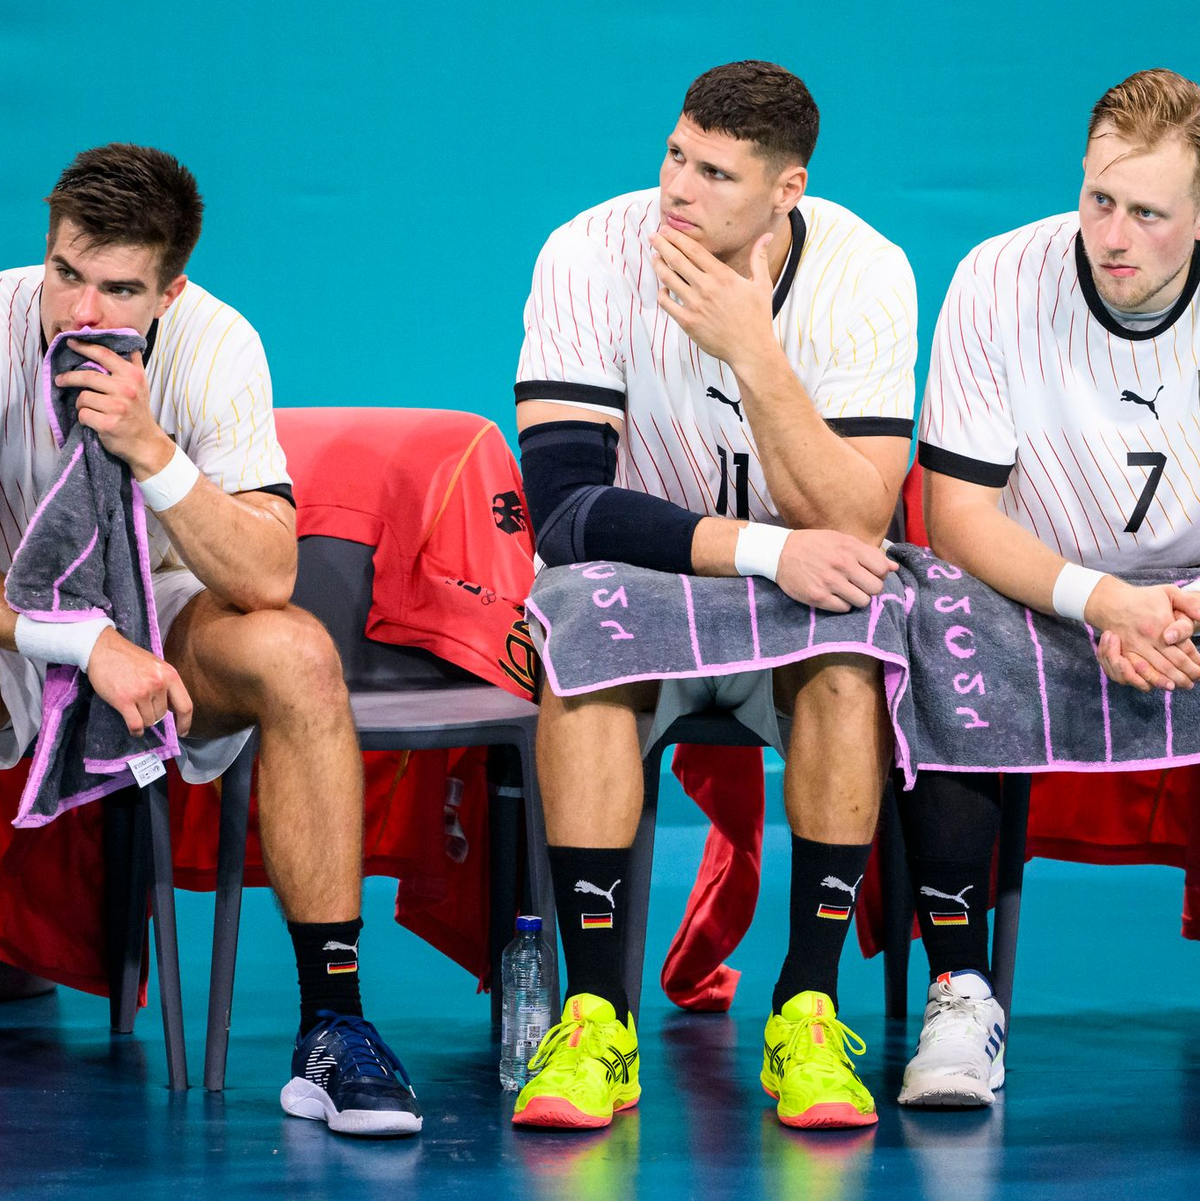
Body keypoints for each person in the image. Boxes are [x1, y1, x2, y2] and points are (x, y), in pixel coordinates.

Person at [512, 61, 917, 1130]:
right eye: (676, 157)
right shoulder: (588, 253)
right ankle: (596, 1017)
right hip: (651, 598)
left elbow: (859, 518)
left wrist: (755, 353)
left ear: (787, 190)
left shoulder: (868, 272)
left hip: (796, 617)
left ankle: (809, 1012)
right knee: (580, 627)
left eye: (718, 175)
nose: (679, 192)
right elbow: (562, 510)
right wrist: (762, 551)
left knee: (851, 652)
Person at [0, 144, 421, 1136]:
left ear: (171, 288)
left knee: (296, 650)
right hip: (19, 627)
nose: (80, 313)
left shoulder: (218, 344)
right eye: (67, 273)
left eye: (118, 289)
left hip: (168, 622)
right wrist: (81, 644)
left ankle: (334, 1025)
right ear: (47, 250)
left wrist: (152, 449)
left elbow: (267, 573)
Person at [906, 67, 1200, 1108]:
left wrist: (1175, 608)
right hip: (1027, 585)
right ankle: (959, 990)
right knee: (937, 632)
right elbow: (960, 519)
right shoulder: (999, 276)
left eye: (1149, 213)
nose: (1113, 234)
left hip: (1192, 598)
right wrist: (1102, 602)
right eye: (1098, 198)